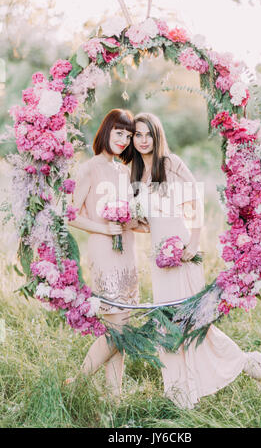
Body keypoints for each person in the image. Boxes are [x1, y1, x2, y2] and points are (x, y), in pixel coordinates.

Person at [128, 112, 261, 409]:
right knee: (167, 323)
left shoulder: (171, 163)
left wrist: (192, 242)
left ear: (157, 135)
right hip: (159, 256)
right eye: (137, 135)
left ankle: (240, 362)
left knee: (190, 322)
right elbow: (150, 221)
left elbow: (195, 201)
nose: (142, 141)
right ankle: (180, 390)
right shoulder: (136, 173)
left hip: (182, 250)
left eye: (147, 134)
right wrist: (130, 224)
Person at [65, 108, 139, 397]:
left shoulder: (125, 169)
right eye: (119, 132)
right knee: (116, 326)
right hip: (103, 247)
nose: (123, 139)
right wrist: (103, 229)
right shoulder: (90, 167)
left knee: (124, 322)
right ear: (106, 131)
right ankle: (77, 382)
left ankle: (114, 397)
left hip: (127, 247)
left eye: (128, 135)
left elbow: (132, 212)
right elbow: (70, 214)